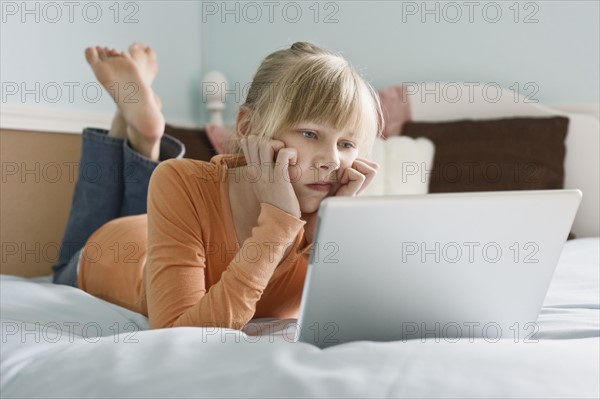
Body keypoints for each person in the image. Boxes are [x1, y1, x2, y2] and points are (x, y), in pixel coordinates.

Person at [52, 41, 384, 331]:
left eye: (347, 145)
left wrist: (329, 231)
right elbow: (177, 334)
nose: (332, 161)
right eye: (310, 134)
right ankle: (135, 126)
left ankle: (136, 124)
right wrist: (278, 222)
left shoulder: (324, 214)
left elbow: (351, 320)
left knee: (162, 209)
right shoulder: (182, 181)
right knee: (64, 264)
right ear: (246, 126)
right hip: (110, 251)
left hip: (172, 231)